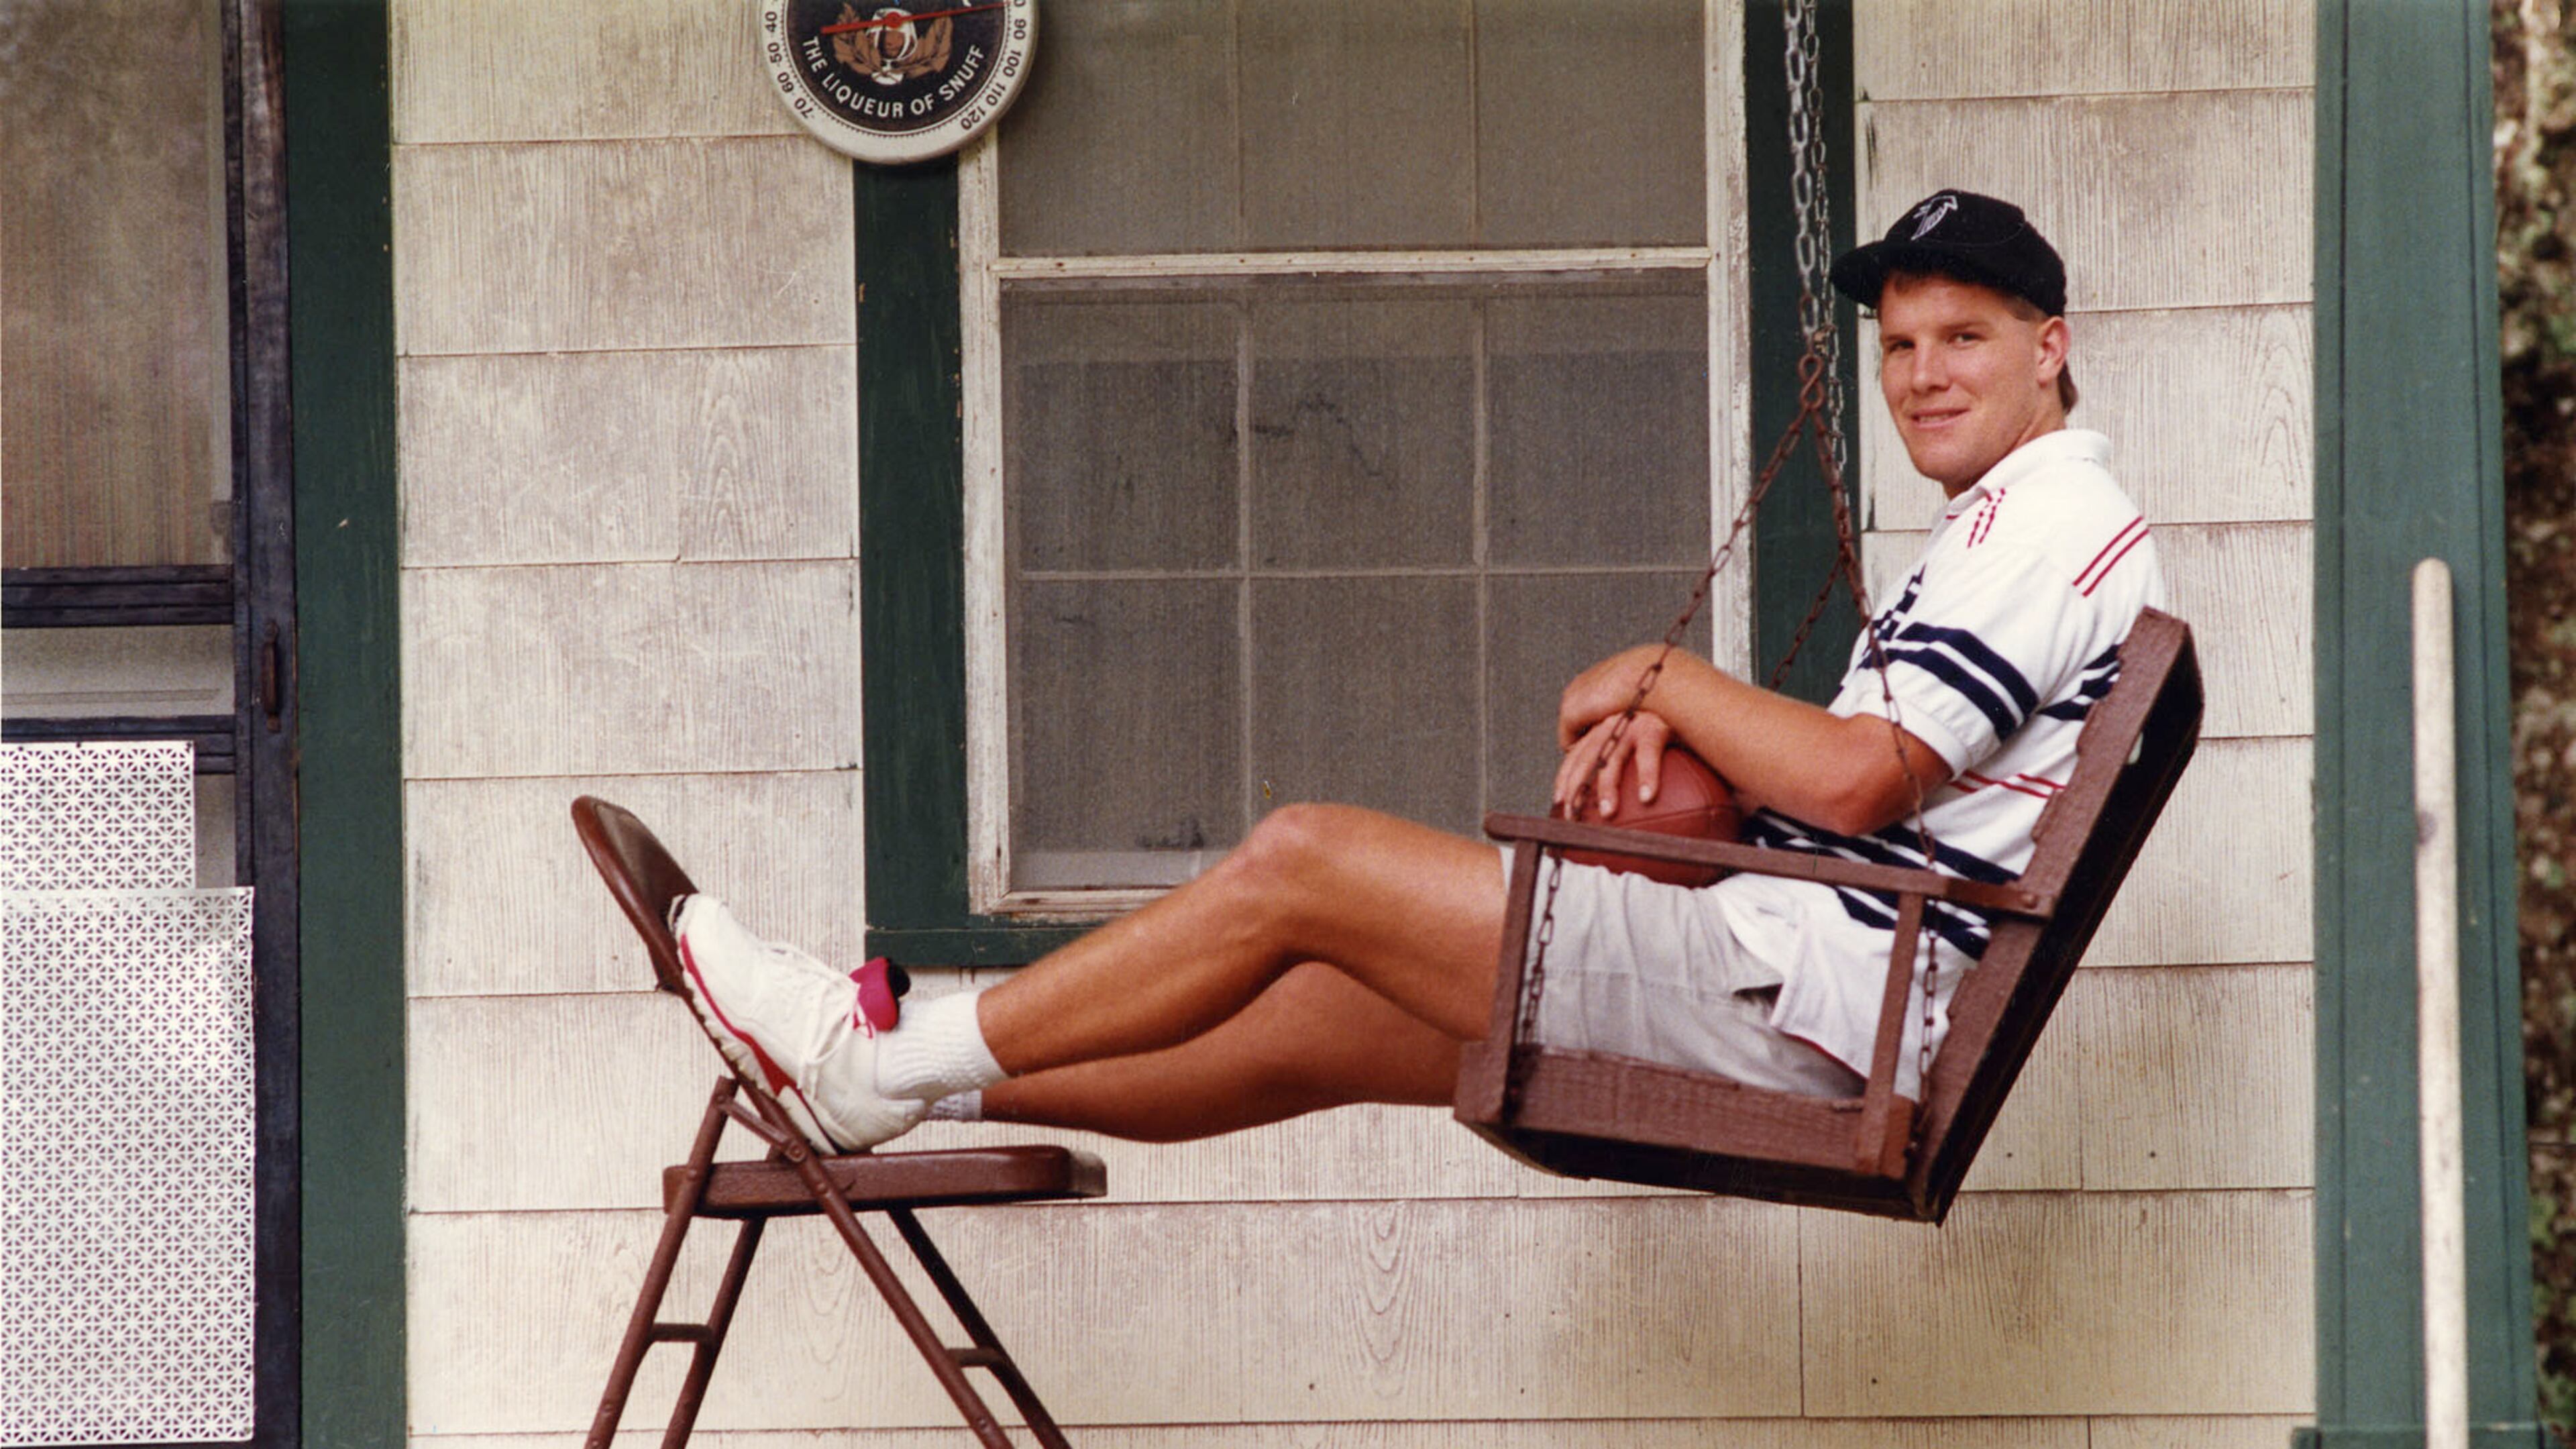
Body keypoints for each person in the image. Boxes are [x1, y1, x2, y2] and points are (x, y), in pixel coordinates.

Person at [669, 189, 2167, 1153]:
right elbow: (1870, 782)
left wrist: (1661, 678)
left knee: (1306, 859)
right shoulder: (2006, 523)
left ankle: (867, 1061)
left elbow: (1858, 778)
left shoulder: (2052, 520)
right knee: (1315, 1015)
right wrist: (1692, 738)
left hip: (1805, 1004)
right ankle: (892, 1084)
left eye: (1963, 338)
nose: (1922, 375)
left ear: (2051, 349)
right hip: (1802, 976)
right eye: (1899, 344)